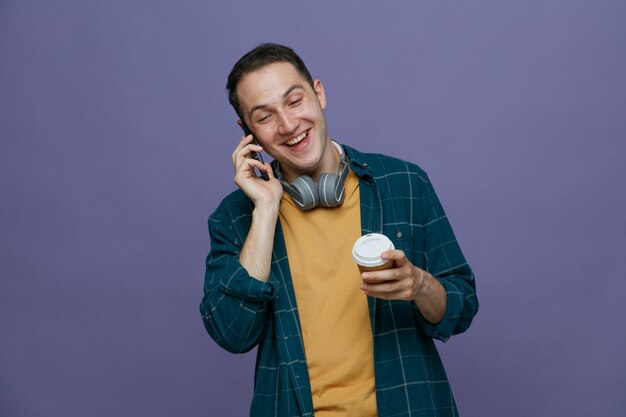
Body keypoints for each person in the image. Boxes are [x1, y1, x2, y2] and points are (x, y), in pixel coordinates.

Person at [200, 43, 478, 417]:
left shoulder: (405, 184)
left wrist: (420, 286)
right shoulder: (234, 218)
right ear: (246, 132)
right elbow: (234, 334)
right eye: (264, 117)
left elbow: (461, 308)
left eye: (295, 101)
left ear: (319, 93)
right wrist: (265, 211)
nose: (288, 125)